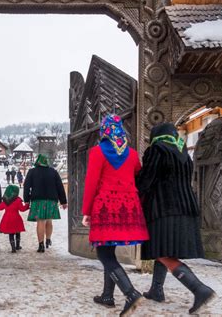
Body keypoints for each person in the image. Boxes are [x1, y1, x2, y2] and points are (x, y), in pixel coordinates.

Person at [136, 123, 215, 314]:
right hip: (186, 208)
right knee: (163, 248)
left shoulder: (157, 149)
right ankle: (156, 290)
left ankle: (199, 289)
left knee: (162, 251)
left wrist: (133, 188)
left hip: (164, 208)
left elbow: (146, 179)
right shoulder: (183, 153)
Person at [82, 114, 148, 317]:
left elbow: (91, 182)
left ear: (104, 131)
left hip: (105, 207)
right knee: (108, 251)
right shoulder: (132, 154)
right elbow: (138, 171)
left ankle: (130, 293)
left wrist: (86, 211)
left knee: (103, 253)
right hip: (127, 207)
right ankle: (107, 296)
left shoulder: (97, 152)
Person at [23, 154, 67, 253]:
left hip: (37, 200)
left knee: (40, 222)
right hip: (51, 200)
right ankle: (48, 239)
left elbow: (26, 186)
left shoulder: (32, 172)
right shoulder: (53, 172)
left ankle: (41, 244)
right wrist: (63, 201)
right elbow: (60, 186)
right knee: (49, 221)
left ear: (37, 162)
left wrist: (26, 200)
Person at [0, 185, 29, 253]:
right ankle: (17, 246)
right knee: (17, 232)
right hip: (16, 218)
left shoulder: (5, 201)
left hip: (7, 218)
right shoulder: (18, 200)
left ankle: (13, 248)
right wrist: (27, 205)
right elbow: (22, 209)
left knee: (11, 234)